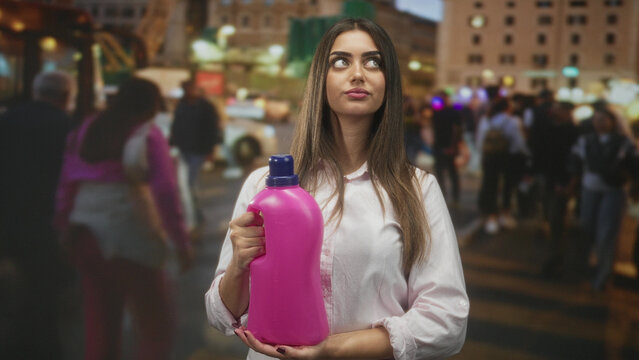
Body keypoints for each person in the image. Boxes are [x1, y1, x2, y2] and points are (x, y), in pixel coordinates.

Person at [205, 18, 468, 360]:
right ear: (320, 80)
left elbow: (447, 320)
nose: (357, 73)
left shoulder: (417, 189)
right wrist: (239, 265)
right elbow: (219, 315)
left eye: (373, 62)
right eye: (340, 61)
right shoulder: (263, 186)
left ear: (389, 82)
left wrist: (331, 350)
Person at [54, 78, 194, 359]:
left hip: (85, 234)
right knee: (156, 326)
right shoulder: (146, 134)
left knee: (100, 325)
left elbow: (67, 184)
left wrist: (63, 229)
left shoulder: (86, 129)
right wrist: (180, 242)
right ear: (150, 105)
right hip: (131, 235)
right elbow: (165, 193)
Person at [0, 71, 74, 359]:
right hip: (44, 218)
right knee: (41, 291)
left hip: (8, 213)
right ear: (65, 97)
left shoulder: (8, 118)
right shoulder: (67, 127)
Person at [569, 108, 639, 292]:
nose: (599, 122)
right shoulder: (586, 140)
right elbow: (575, 163)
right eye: (596, 119)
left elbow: (635, 166)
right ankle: (583, 270)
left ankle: (603, 275)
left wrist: (633, 187)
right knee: (587, 230)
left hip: (614, 191)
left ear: (613, 122)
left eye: (603, 119)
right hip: (590, 189)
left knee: (606, 234)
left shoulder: (624, 143)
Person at [476, 96, 529, 234]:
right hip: (506, 157)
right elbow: (518, 143)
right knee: (507, 185)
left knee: (490, 185)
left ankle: (491, 217)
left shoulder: (485, 120)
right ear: (507, 107)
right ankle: (505, 214)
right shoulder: (511, 121)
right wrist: (526, 154)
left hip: (489, 157)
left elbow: (480, 141)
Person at [170, 79, 222, 188]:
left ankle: (192, 200)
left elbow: (212, 128)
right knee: (185, 178)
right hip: (183, 146)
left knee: (191, 178)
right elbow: (176, 124)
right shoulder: (182, 104)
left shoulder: (205, 106)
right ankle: (190, 199)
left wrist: (210, 149)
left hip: (198, 147)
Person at [432, 91, 463, 204]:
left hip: (449, 146)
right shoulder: (435, 112)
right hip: (438, 146)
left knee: (451, 172)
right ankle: (442, 196)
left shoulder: (452, 112)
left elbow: (457, 130)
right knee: (440, 173)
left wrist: (453, 146)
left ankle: (455, 197)